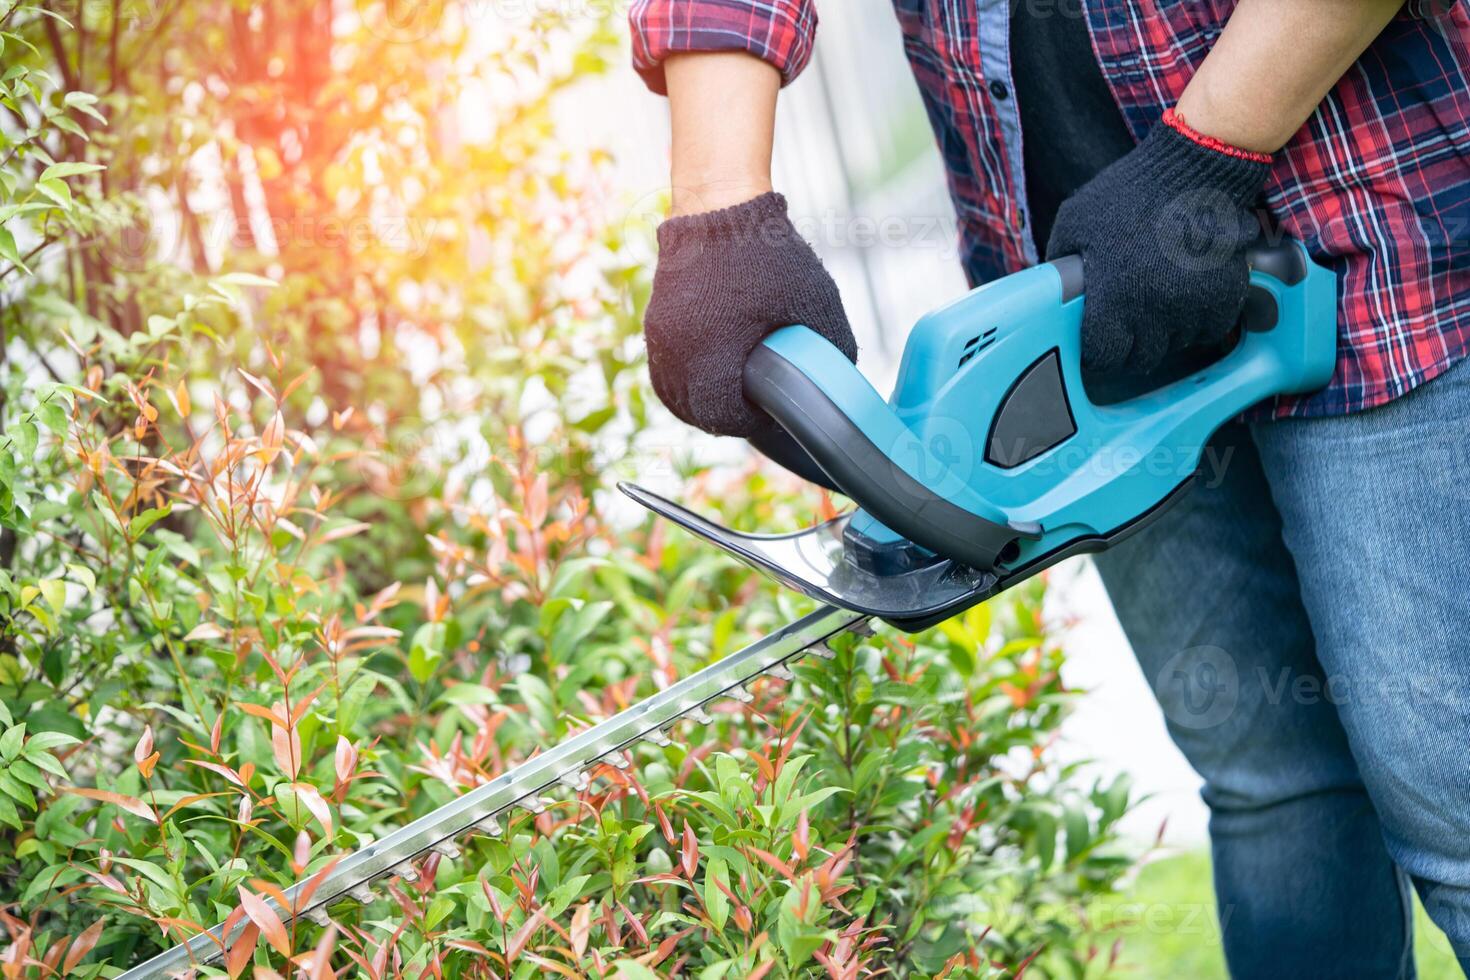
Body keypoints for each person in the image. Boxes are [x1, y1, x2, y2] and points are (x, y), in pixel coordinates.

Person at [627, 0, 1470, 975]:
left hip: (1374, 237)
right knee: (1273, 792)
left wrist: (1203, 160)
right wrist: (718, 217)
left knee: (1452, 804)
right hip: (1089, 305)